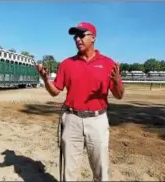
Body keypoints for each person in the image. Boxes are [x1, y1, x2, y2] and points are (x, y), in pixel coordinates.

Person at [35, 22, 124, 181]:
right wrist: (46, 80)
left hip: (97, 121)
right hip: (72, 120)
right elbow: (55, 92)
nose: (77, 39)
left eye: (82, 35)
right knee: (69, 171)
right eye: (75, 36)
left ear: (93, 38)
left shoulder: (108, 63)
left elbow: (119, 95)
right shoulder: (67, 64)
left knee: (101, 170)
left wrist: (117, 81)